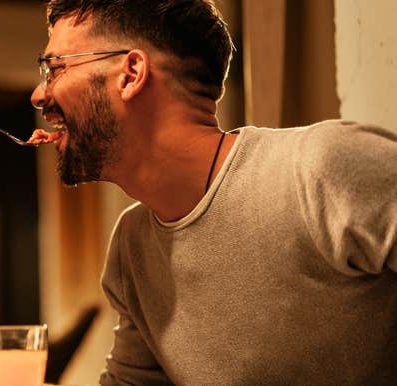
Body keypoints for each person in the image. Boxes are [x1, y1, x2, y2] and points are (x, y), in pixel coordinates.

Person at [30, 0, 396, 385]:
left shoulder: (320, 169)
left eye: (55, 68)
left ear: (131, 73)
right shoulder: (132, 246)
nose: (38, 94)